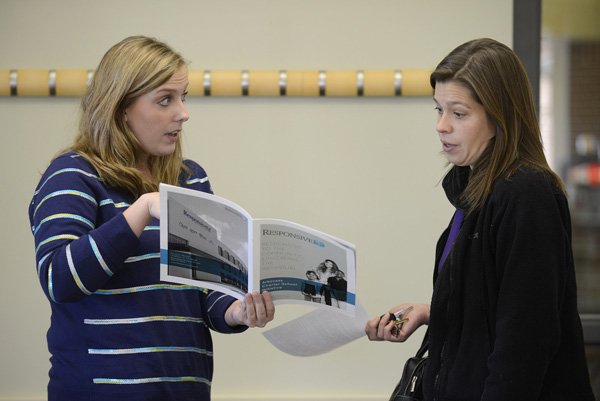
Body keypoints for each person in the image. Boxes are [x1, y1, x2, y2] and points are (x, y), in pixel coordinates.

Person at [28, 35, 275, 401]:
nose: (183, 113)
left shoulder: (190, 179)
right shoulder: (72, 175)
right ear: (121, 108)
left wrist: (238, 311)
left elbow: (204, 290)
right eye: (165, 100)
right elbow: (59, 279)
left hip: (184, 390)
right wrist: (141, 210)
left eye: (183, 97)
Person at [365, 38, 595, 401]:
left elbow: (524, 341)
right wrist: (432, 312)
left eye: (458, 113)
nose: (442, 126)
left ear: (500, 116)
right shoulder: (474, 189)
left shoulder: (525, 194)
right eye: (438, 110)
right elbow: (491, 306)